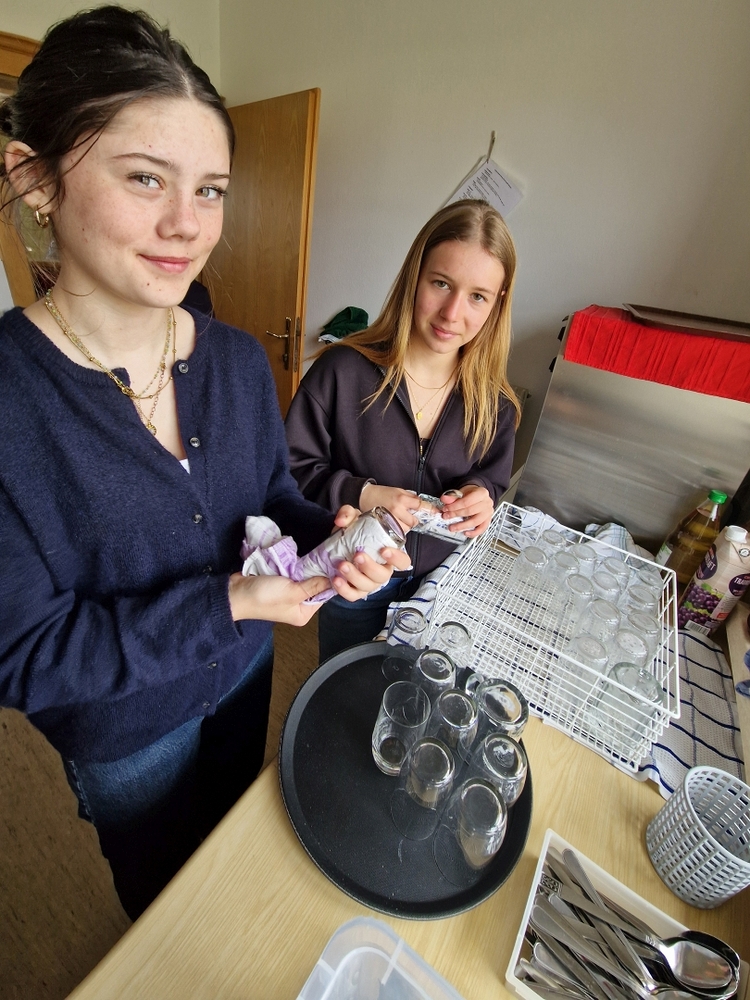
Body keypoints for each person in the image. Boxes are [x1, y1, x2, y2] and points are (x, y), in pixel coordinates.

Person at [0, 6, 408, 921]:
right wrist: (227, 602)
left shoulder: (232, 359)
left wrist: (335, 540)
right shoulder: (11, 404)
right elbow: (24, 653)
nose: (187, 225)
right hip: (126, 727)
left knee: (236, 844)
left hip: (244, 667)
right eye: (145, 177)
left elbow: (269, 500)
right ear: (35, 179)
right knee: (168, 905)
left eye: (212, 189)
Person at [285, 199, 521, 662]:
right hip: (355, 573)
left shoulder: (497, 405)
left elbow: (491, 480)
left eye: (477, 296)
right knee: (344, 683)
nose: (452, 313)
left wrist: (479, 494)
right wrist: (365, 494)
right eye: (441, 283)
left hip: (441, 582)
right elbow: (288, 471)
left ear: (498, 304)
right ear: (415, 277)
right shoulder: (342, 371)